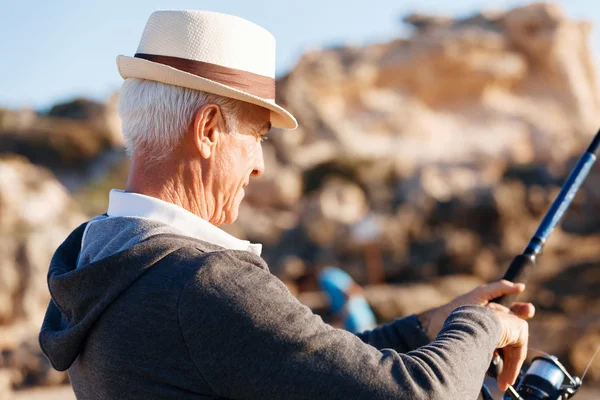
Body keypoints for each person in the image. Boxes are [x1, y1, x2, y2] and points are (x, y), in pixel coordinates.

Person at [39, 10, 534, 400]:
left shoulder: (102, 260)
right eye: (257, 135)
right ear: (208, 129)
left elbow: (307, 364)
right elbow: (422, 395)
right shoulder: (201, 283)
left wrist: (432, 324)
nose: (259, 164)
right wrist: (483, 325)